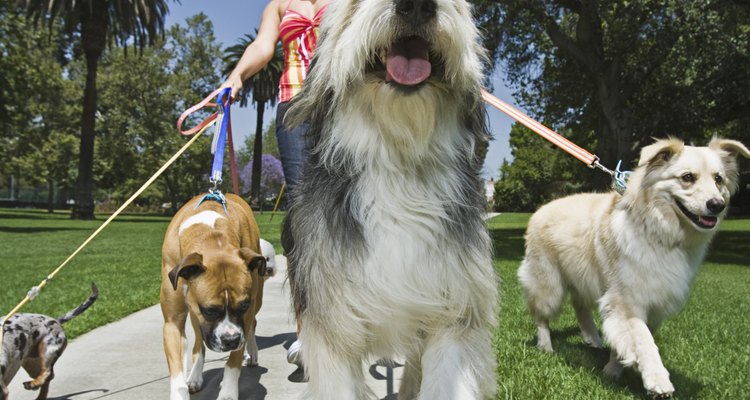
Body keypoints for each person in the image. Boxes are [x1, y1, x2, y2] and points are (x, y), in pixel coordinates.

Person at [222, 0, 329, 369]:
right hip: (294, 109)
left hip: (345, 106)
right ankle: (308, 336)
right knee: (301, 223)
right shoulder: (280, 5)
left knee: (351, 214)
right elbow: (263, 47)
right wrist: (237, 76)